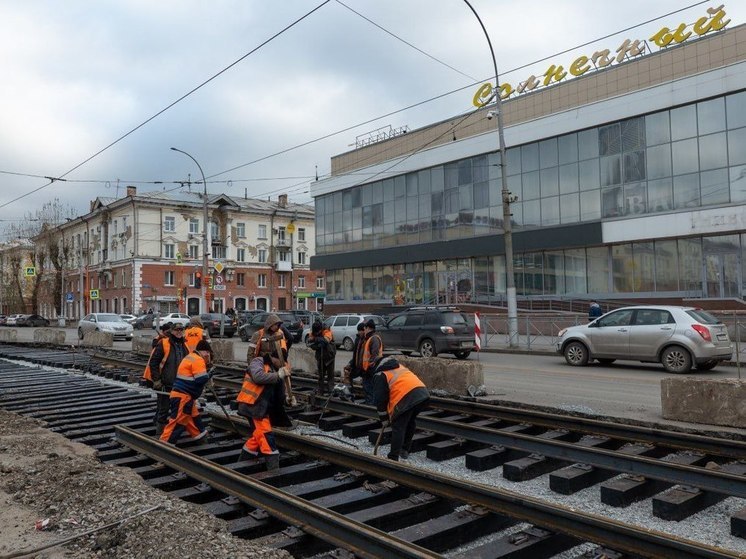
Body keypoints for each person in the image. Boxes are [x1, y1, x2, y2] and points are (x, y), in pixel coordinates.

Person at [237, 338, 293, 470]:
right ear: (275, 358)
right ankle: (274, 471)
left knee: (257, 438)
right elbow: (258, 377)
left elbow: (279, 397)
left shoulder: (278, 372)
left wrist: (287, 400)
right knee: (267, 439)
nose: (283, 365)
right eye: (282, 362)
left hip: (263, 409)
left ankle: (241, 465)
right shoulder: (258, 362)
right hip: (252, 406)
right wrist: (278, 375)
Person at [372, 356, 430, 461]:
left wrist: (384, 419)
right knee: (410, 421)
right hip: (422, 394)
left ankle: (393, 457)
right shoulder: (398, 367)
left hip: (407, 396)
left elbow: (380, 399)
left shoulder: (380, 374)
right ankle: (405, 450)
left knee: (398, 426)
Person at [160, 340, 213, 444]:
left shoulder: (190, 357)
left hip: (182, 395)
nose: (208, 355)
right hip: (183, 396)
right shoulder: (198, 360)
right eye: (207, 352)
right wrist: (209, 374)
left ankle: (200, 437)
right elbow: (200, 379)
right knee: (177, 421)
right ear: (203, 351)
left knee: (193, 418)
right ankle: (164, 444)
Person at [146, 322, 188, 436]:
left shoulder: (185, 345)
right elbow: (154, 362)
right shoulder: (164, 343)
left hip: (180, 384)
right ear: (172, 331)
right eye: (177, 330)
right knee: (163, 409)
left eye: (181, 329)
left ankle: (173, 433)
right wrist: (157, 380)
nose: (179, 332)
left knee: (178, 409)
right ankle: (159, 433)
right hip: (166, 383)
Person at [306, 320, 336, 395]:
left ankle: (330, 391)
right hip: (320, 356)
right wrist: (317, 345)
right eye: (315, 333)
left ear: (320, 329)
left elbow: (326, 340)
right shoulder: (313, 332)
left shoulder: (327, 331)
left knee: (330, 375)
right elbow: (310, 342)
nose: (316, 334)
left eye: (317, 332)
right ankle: (320, 390)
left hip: (329, 356)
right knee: (321, 375)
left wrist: (316, 339)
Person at [359, 319, 383, 404]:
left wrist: (369, 368)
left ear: (368, 328)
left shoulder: (374, 339)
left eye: (365, 328)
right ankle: (369, 405)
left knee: (370, 390)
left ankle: (370, 408)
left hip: (371, 370)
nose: (364, 330)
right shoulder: (368, 338)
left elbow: (374, 355)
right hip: (367, 369)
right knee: (367, 389)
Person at [343, 322, 366, 399]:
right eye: (358, 330)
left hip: (364, 366)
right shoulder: (357, 339)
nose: (359, 332)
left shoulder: (367, 340)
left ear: (364, 330)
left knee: (367, 383)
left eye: (361, 330)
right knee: (349, 375)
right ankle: (351, 393)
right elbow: (355, 354)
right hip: (357, 365)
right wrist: (350, 363)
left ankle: (367, 398)